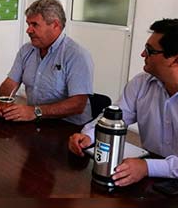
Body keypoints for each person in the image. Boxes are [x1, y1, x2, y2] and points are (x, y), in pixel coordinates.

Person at [68, 18, 178, 186]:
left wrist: (148, 167)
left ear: (175, 60)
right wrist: (88, 136)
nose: (142, 54)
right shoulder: (141, 83)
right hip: (150, 180)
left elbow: (147, 167)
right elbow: (113, 118)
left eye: (150, 50)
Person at [0, 0, 94, 125]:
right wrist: (2, 103)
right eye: (28, 24)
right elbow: (9, 85)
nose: (28, 30)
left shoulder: (76, 55)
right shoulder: (26, 50)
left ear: (55, 25)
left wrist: (35, 112)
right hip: (37, 123)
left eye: (34, 24)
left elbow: (78, 104)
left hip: (70, 130)